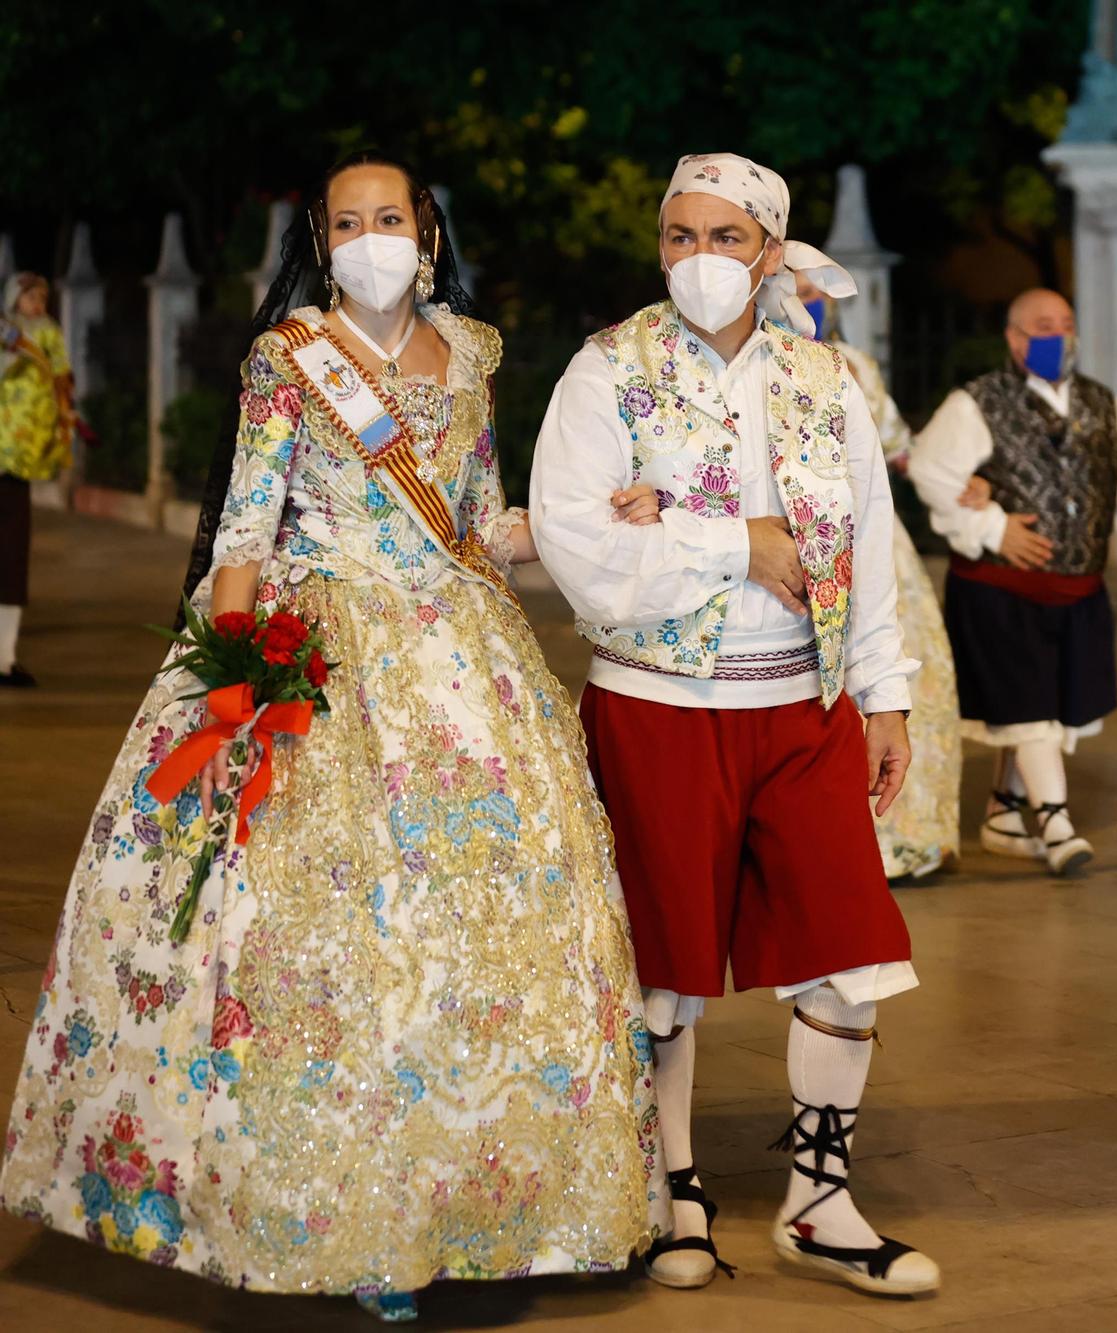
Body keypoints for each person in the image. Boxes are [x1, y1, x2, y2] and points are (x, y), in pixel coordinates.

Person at [0, 155, 670, 1322]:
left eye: (390, 218)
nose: (372, 237)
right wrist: (241, 669)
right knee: (327, 938)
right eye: (348, 221)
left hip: (469, 654)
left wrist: (582, 521)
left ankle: (497, 1204)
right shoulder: (289, 358)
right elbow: (246, 523)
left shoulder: (470, 353)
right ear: (321, 238)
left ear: (427, 233)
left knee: (505, 923)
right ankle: (351, 1216)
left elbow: (478, 523)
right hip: (324, 653)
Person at [530, 152, 939, 1298]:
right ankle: (676, 1189)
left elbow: (862, 544)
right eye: (678, 237)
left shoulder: (825, 378)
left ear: (769, 253)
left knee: (849, 954)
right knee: (665, 972)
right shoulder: (605, 372)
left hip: (800, 709)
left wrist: (885, 690)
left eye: (723, 238)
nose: (698, 261)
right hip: (655, 707)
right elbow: (581, 550)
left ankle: (819, 1200)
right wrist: (735, 544)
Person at [907, 288, 1117, 877]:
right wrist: (989, 527)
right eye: (1042, 327)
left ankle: (1006, 815)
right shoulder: (976, 402)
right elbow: (932, 469)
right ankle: (1056, 824)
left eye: (1065, 325)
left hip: (1077, 592)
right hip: (1000, 590)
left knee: (1053, 709)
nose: (1057, 337)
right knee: (1029, 706)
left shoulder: (1100, 403)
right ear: (1014, 339)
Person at [795, 271, 961, 881]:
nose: (809, 302)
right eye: (799, 290)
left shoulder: (855, 364)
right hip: (798, 533)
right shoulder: (756, 360)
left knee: (897, 665)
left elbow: (897, 447)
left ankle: (903, 837)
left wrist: (957, 481)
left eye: (818, 293)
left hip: (869, 532)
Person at [0, 271, 75, 687]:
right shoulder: (10, 336)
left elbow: (62, 377)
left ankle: (5, 658)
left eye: (41, 296)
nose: (37, 303)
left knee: (11, 560)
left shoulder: (46, 334)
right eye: (29, 296)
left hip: (21, 460)